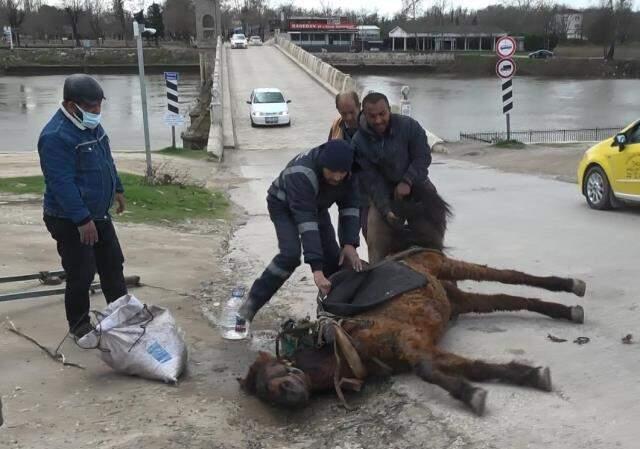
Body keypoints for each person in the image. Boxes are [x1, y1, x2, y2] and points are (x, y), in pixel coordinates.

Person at [237, 140, 363, 329]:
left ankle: (337, 316)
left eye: (342, 172)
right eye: (332, 171)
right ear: (323, 164)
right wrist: (316, 270)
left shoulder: (350, 173)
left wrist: (350, 243)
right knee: (289, 256)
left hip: (316, 207)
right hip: (283, 205)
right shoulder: (302, 173)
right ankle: (249, 307)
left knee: (334, 258)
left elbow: (350, 207)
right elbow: (307, 223)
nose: (337, 177)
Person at [38, 74, 128, 339]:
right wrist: (81, 220)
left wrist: (118, 188)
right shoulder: (55, 136)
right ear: (70, 105)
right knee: (82, 272)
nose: (96, 112)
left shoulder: (92, 127)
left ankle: (121, 315)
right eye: (90, 108)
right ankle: (79, 326)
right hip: (68, 218)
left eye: (99, 106)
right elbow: (60, 183)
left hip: (98, 214)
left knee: (113, 265)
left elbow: (106, 160)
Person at [352, 91, 435, 263]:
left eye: (382, 114)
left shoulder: (410, 126)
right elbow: (371, 180)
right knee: (374, 238)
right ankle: (379, 278)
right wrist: (385, 209)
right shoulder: (359, 142)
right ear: (364, 115)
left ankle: (437, 267)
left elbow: (423, 156)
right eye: (372, 116)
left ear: (389, 110)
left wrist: (407, 180)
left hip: (417, 186)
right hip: (384, 194)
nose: (378, 120)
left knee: (432, 235)